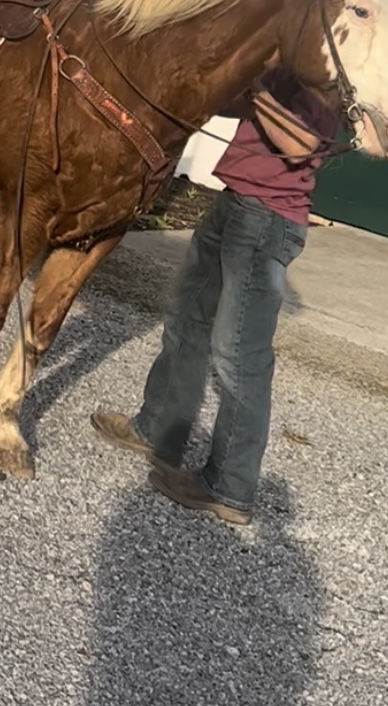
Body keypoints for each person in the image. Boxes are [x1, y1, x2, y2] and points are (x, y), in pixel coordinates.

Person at [90, 67, 341, 527]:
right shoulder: (284, 63)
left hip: (267, 221)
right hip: (235, 202)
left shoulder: (325, 76)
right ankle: (159, 431)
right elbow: (232, 108)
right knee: (185, 319)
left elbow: (299, 144)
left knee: (238, 354)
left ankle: (229, 487)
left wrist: (256, 90)